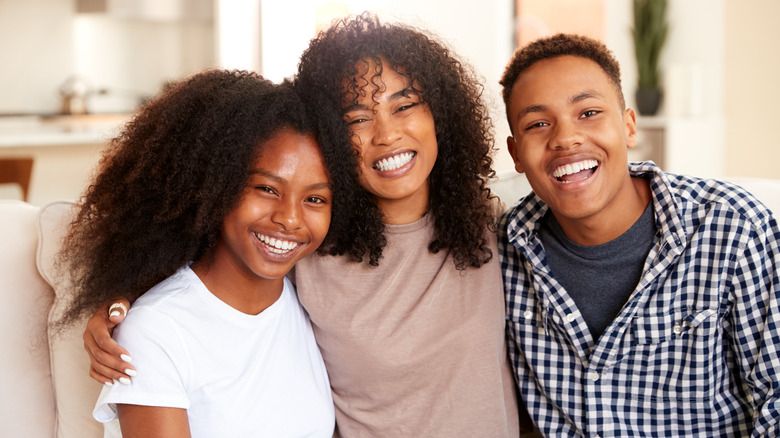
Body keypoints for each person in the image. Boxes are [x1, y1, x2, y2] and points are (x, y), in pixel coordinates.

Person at [81, 14, 534, 437]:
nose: (386, 133)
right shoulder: (313, 249)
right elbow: (214, 261)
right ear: (333, 140)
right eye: (357, 118)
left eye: (405, 105)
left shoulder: (493, 221)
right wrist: (122, 298)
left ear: (442, 114)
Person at [498, 33, 780, 436]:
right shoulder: (501, 252)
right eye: (538, 124)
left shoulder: (735, 230)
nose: (565, 138)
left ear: (629, 127)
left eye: (588, 112)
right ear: (516, 155)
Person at [55, 69, 346, 437]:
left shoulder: (307, 300)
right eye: (266, 189)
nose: (290, 219)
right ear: (214, 184)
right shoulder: (156, 332)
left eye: (315, 199)